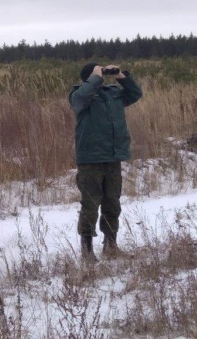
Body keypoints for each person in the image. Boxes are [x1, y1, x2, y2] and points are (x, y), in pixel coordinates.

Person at [69, 62, 143, 261]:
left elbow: (135, 94)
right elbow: (80, 100)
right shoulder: (79, 95)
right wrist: (95, 77)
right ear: (89, 77)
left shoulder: (113, 94)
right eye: (98, 72)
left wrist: (119, 75)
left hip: (112, 157)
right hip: (90, 159)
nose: (103, 75)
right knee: (90, 205)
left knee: (112, 204)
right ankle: (87, 251)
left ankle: (110, 246)